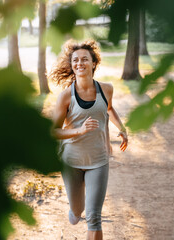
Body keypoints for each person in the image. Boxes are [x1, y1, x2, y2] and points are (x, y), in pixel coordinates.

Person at [49, 39, 128, 240]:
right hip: (71, 161)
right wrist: (79, 130)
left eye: (85, 59)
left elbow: (108, 108)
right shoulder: (66, 97)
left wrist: (122, 128)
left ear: (94, 63)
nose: (79, 63)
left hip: (98, 161)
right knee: (78, 213)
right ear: (71, 65)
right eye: (75, 60)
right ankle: (75, 211)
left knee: (94, 217)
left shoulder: (106, 89)